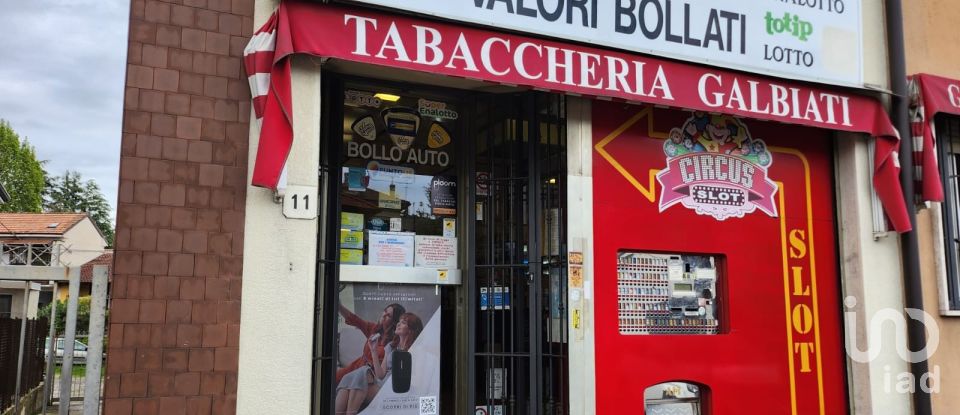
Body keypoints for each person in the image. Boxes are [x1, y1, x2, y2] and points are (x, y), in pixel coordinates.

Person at [335, 312, 424, 415]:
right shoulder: (391, 346)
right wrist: (373, 350)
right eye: (399, 322)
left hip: (398, 390)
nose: (398, 324)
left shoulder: (417, 350)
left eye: (403, 322)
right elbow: (380, 375)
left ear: (411, 330)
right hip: (382, 386)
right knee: (351, 378)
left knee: (360, 375)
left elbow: (418, 379)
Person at [337, 303, 405, 383]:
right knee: (334, 378)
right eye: (385, 311)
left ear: (394, 321)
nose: (384, 315)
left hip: (371, 376)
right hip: (356, 366)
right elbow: (355, 320)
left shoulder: (395, 341)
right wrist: (339, 306)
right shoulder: (374, 328)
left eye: (388, 316)